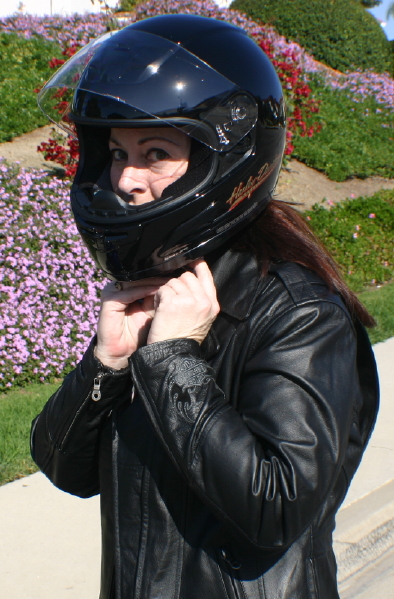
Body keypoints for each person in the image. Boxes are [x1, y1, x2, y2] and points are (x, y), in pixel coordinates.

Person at [31, 14, 379, 599]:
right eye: (117, 152)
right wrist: (105, 366)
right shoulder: (155, 287)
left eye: (156, 152)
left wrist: (173, 360)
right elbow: (64, 468)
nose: (127, 179)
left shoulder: (299, 313)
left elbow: (277, 506)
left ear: (227, 163)